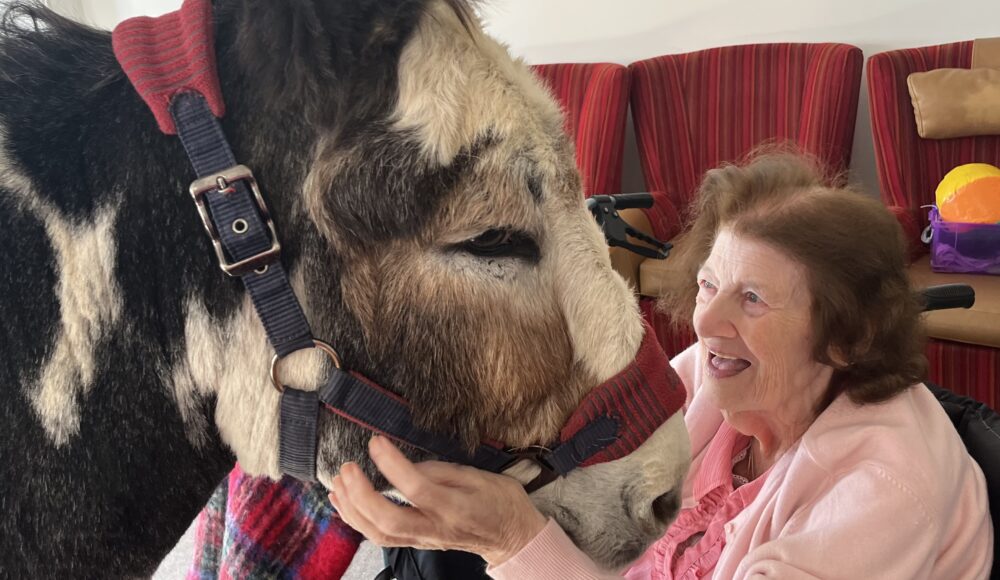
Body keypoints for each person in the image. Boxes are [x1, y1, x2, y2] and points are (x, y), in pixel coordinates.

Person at [328, 153, 994, 579]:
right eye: (709, 286)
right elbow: (591, 439)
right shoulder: (717, 377)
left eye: (753, 300)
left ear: (846, 338)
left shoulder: (886, 489)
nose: (704, 324)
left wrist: (511, 541)